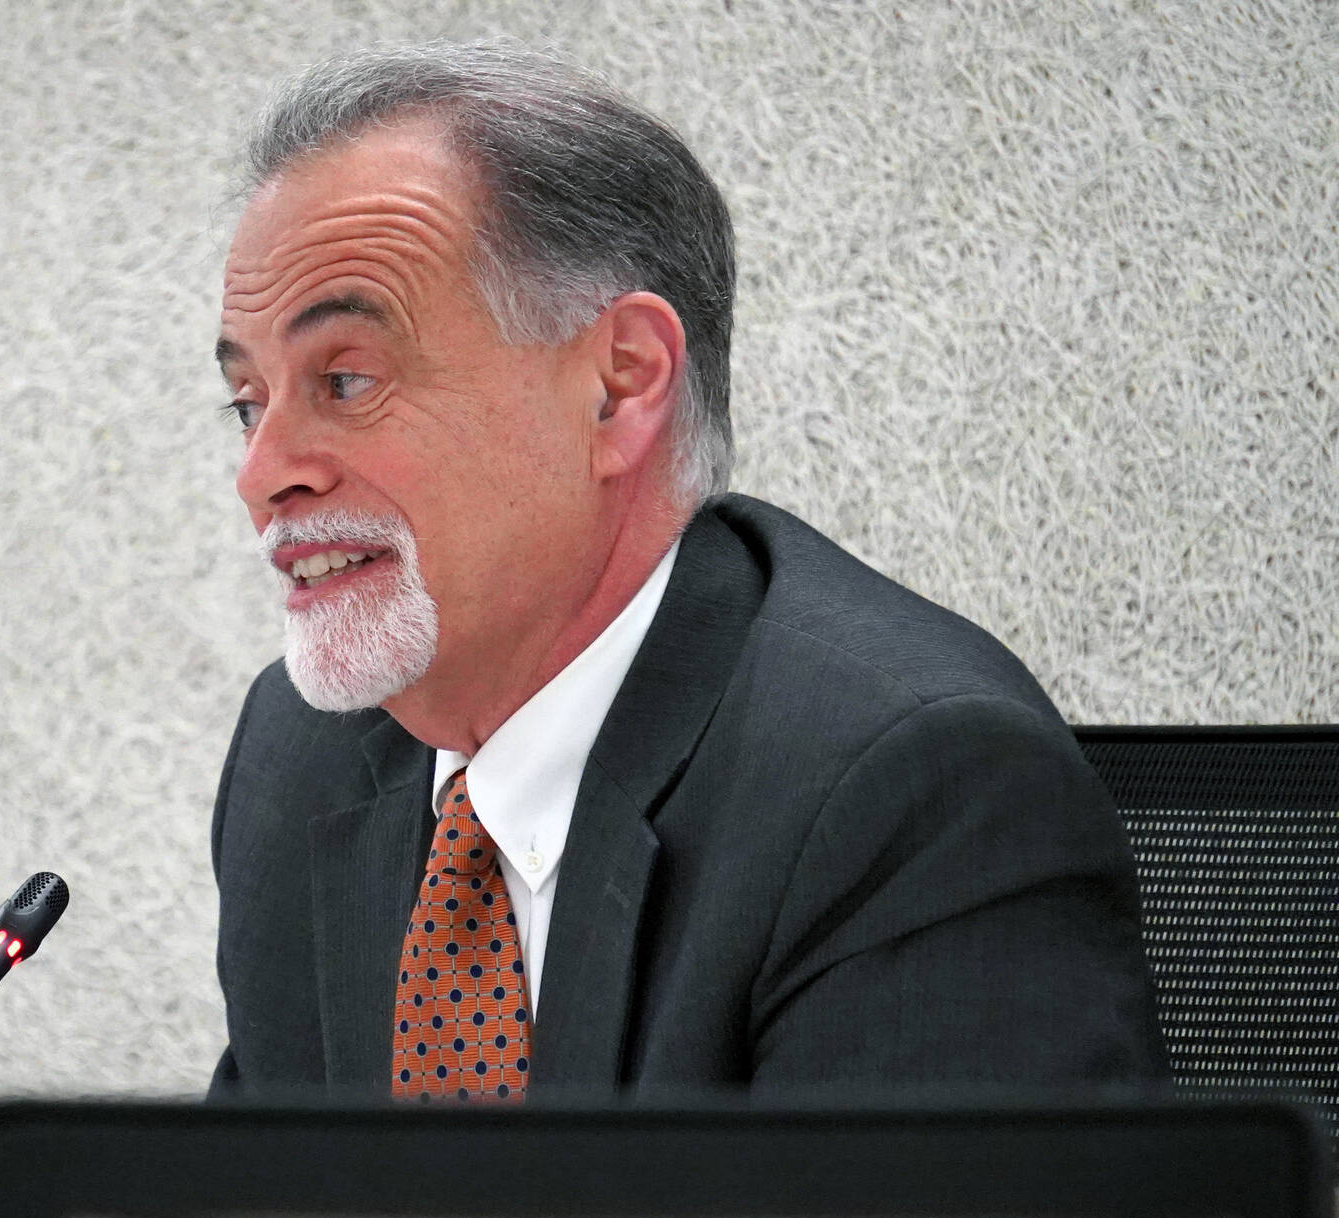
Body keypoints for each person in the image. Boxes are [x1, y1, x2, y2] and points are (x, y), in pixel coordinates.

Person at [207, 40, 1166, 1102]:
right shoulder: (300, 760)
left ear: (617, 387)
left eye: (344, 380)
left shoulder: (906, 791)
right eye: (248, 403)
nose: (263, 476)